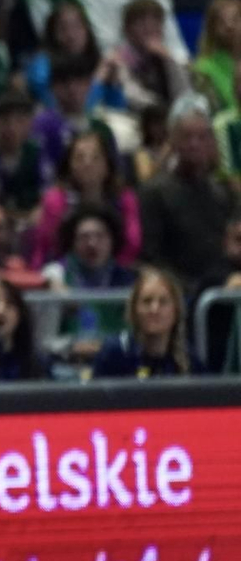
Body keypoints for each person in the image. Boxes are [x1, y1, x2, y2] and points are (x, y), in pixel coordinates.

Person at [138, 98, 240, 283]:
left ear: (211, 141)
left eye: (202, 137)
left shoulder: (224, 193)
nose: (194, 144)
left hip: (223, 291)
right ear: (173, 141)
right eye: (187, 137)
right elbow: (151, 256)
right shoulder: (154, 192)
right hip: (179, 293)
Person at [91, 267, 200, 377]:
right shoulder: (114, 354)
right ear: (134, 310)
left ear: (176, 310)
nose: (154, 309)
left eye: (163, 302)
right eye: (147, 301)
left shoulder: (189, 360)